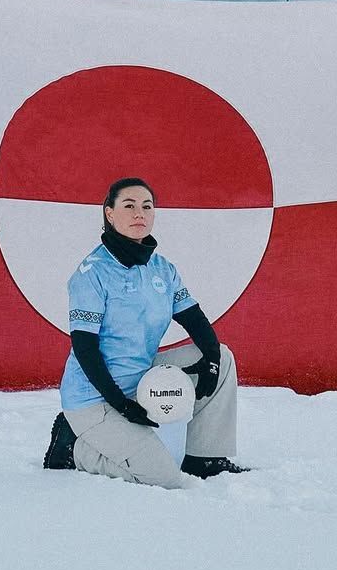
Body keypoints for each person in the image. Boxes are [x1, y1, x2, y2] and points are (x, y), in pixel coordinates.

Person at [44, 178, 246, 487]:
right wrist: (120, 405)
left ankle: (202, 456)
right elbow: (85, 349)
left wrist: (212, 361)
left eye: (147, 206)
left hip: (139, 377)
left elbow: (195, 321)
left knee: (224, 356)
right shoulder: (92, 273)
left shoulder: (162, 268)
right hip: (94, 397)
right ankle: (75, 446)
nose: (140, 213)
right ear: (109, 214)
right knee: (164, 477)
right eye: (129, 206)